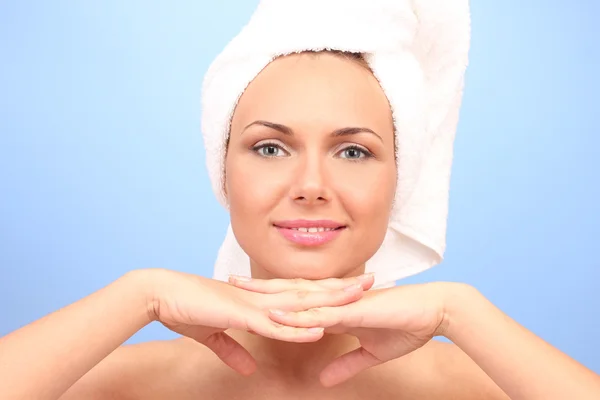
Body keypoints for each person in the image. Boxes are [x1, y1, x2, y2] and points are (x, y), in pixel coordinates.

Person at [1, 2, 599, 400]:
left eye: (353, 152)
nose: (311, 185)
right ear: (222, 171)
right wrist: (140, 295)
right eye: (269, 148)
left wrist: (460, 314)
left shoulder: (473, 386)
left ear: (402, 180)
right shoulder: (124, 384)